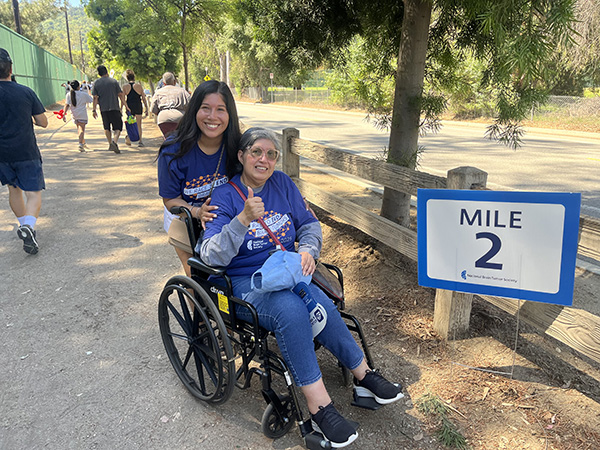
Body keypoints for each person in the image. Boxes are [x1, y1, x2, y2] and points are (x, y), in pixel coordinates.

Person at [199, 127, 404, 448]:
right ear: (241, 156)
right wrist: (241, 220)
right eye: (256, 152)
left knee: (319, 302)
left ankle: (364, 376)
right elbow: (210, 254)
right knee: (292, 312)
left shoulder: (282, 184)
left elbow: (308, 225)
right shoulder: (225, 196)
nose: (263, 160)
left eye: (271, 154)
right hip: (244, 280)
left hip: (287, 268)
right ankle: (319, 407)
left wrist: (308, 249)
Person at [157, 80, 241, 277]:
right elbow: (170, 200)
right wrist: (196, 211)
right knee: (198, 277)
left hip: (226, 218)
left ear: (229, 114)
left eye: (220, 109)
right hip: (184, 216)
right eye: (205, 108)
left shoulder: (238, 146)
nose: (213, 117)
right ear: (194, 110)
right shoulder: (173, 151)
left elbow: (260, 175)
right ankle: (198, 305)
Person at [0, 48, 49, 254]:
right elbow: (43, 122)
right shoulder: (25, 92)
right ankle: (28, 226)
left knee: (13, 190)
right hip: (26, 151)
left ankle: (24, 227)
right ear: (11, 69)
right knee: (33, 193)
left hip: (3, 154)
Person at [92, 65, 126, 154]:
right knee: (118, 127)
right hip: (114, 107)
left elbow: (95, 97)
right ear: (106, 72)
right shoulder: (113, 81)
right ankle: (114, 141)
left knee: (106, 127)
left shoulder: (96, 83)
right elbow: (120, 94)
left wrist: (94, 110)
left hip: (103, 109)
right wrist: (125, 105)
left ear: (99, 74)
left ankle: (110, 143)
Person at [151, 72, 191, 138]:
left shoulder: (158, 92)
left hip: (163, 119)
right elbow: (191, 106)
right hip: (179, 119)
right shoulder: (182, 91)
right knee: (180, 138)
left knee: (168, 139)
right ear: (175, 82)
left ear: (164, 83)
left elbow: (153, 109)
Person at [63, 80, 94, 152]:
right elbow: (90, 100)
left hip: (74, 114)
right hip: (82, 114)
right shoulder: (83, 94)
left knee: (79, 129)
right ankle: (80, 144)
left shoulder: (68, 94)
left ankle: (83, 142)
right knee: (81, 129)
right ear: (78, 86)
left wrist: (64, 114)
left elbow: (66, 105)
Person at [122, 69, 149, 147]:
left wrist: (124, 107)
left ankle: (129, 138)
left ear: (127, 78)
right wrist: (146, 107)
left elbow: (123, 99)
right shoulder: (139, 86)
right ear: (134, 77)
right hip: (138, 106)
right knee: (139, 124)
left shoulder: (125, 87)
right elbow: (143, 98)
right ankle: (140, 141)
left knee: (130, 123)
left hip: (129, 106)